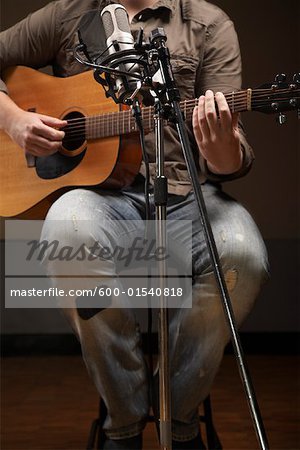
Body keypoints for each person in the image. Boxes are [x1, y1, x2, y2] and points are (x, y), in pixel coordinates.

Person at [0, 0, 269, 449]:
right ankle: (124, 422)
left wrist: (220, 141)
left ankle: (178, 420)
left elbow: (224, 160)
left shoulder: (206, 23)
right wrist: (13, 120)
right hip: (101, 200)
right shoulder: (68, 13)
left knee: (243, 253)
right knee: (67, 232)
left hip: (188, 195)